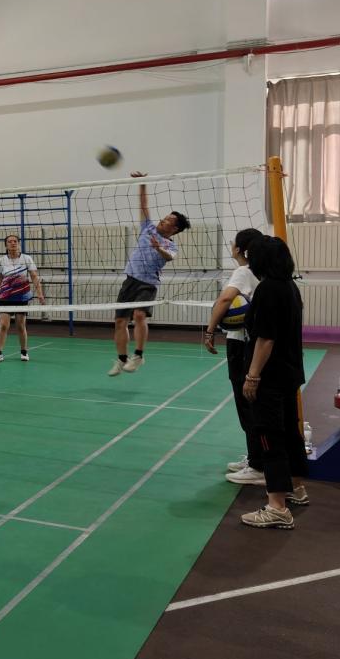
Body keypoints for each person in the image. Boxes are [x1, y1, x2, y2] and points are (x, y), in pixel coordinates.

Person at [239, 236, 310, 528]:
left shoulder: (268, 289)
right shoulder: (289, 286)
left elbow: (266, 338)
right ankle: (296, 488)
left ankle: (277, 507)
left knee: (270, 436)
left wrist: (252, 376)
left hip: (270, 377)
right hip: (289, 373)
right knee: (290, 432)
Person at [110, 171, 189, 376]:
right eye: (164, 217)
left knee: (139, 315)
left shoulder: (170, 245)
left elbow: (169, 257)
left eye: (168, 220)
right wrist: (143, 183)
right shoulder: (148, 228)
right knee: (120, 321)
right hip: (130, 280)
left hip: (148, 284)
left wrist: (158, 248)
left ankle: (138, 355)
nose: (163, 220)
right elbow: (144, 205)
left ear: (175, 228)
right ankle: (121, 359)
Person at [204, 228, 266, 484]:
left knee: (246, 404)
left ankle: (259, 466)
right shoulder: (262, 271)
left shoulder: (243, 272)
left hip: (241, 344)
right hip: (252, 344)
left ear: (240, 249)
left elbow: (224, 300)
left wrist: (209, 330)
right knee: (251, 403)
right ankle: (255, 457)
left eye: (233, 243)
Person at [0, 234, 46, 363]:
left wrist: (40, 294)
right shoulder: (2, 260)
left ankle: (24, 351)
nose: (13, 243)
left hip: (22, 297)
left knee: (20, 325)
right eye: (10, 241)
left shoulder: (26, 258)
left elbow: (34, 276)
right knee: (3, 325)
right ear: (6, 245)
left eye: (15, 241)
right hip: (5, 297)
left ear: (19, 243)